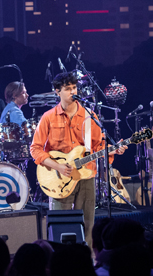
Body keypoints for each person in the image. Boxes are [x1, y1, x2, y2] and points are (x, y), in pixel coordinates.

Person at [30, 71, 125, 245]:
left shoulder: (89, 116)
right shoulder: (48, 117)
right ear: (57, 91)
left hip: (86, 175)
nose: (72, 92)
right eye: (67, 88)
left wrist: (113, 150)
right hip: (60, 178)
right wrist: (58, 166)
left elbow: (98, 147)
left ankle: (87, 258)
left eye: (74, 87)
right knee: (60, 224)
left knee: (87, 225)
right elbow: (35, 149)